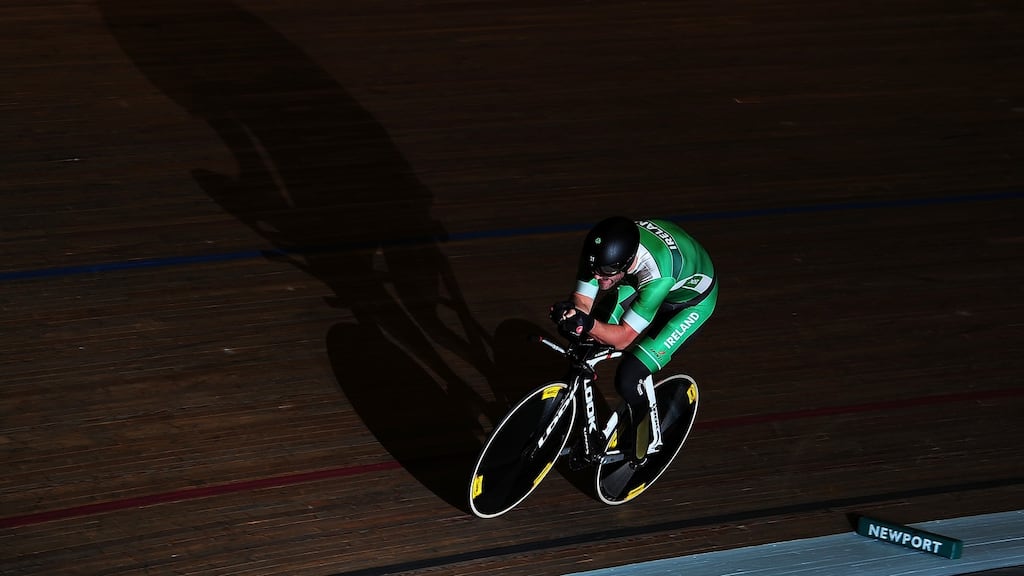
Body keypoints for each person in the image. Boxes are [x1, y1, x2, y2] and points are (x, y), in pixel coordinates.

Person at [550, 216, 717, 467]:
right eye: (594, 270)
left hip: (690, 302)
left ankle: (643, 434)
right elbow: (583, 303)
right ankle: (567, 414)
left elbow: (623, 338)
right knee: (589, 336)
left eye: (606, 273)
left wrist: (589, 324)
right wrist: (574, 315)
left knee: (629, 376)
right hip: (645, 280)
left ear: (627, 263)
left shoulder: (656, 274)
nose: (599, 278)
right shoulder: (601, 255)